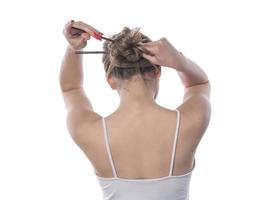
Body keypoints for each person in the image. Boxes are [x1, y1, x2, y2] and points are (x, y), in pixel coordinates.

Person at [60, 20, 211, 200]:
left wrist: (73, 48)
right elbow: (199, 84)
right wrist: (179, 61)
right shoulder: (189, 122)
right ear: (157, 72)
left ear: (110, 80)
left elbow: (71, 88)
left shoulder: (88, 130)